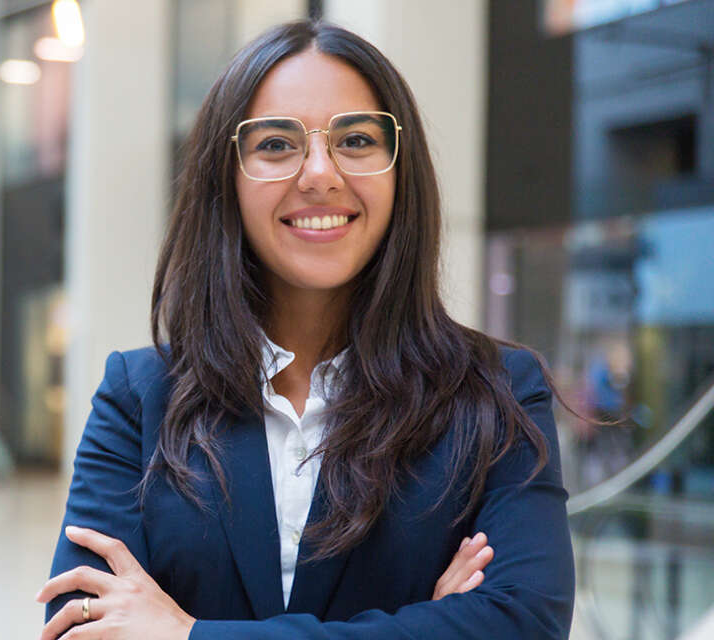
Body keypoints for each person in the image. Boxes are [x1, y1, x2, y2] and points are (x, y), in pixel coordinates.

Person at [36, 20, 574, 640]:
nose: (320, 173)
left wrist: (187, 634)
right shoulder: (139, 395)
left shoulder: (497, 392)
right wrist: (429, 621)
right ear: (226, 178)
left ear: (402, 171)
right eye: (275, 145)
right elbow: (79, 627)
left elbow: (524, 624)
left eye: (356, 139)